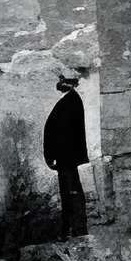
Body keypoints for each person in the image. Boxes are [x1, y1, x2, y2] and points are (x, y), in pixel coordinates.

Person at [42, 71, 88, 237]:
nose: (59, 83)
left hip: (67, 157)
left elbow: (63, 133)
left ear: (69, 83)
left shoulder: (71, 101)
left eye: (62, 80)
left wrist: (54, 155)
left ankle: (76, 229)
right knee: (68, 192)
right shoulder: (69, 100)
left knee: (71, 192)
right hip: (65, 158)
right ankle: (71, 229)